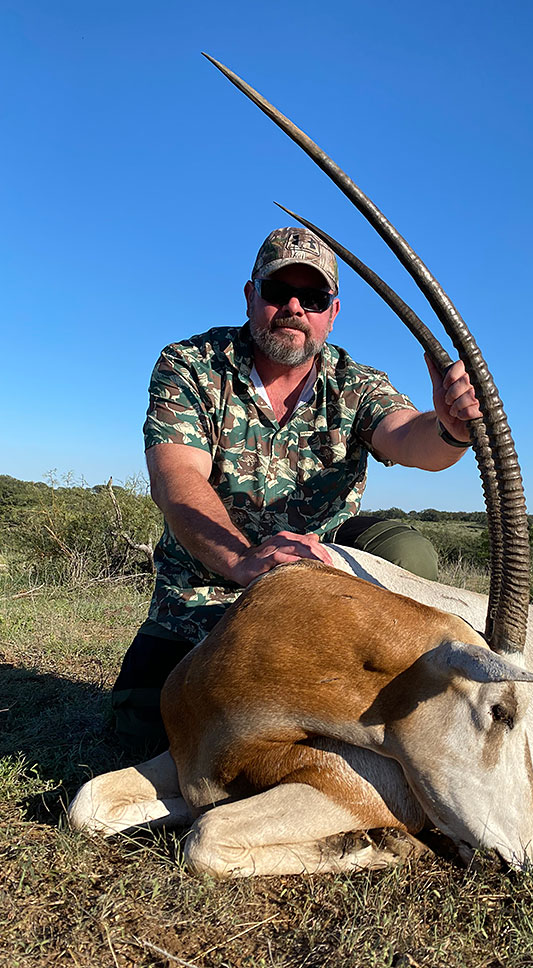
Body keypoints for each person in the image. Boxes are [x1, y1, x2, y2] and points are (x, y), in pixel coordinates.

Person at [112, 226, 481, 750]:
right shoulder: (190, 364)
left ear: (332, 312)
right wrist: (243, 561)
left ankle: (391, 687)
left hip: (322, 589)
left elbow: (408, 437)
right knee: (146, 732)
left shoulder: (355, 380)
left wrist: (450, 428)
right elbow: (177, 479)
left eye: (312, 298)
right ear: (249, 296)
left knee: (407, 552)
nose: (293, 307)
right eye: (276, 291)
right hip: (210, 591)